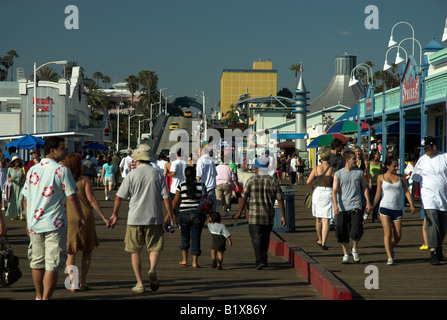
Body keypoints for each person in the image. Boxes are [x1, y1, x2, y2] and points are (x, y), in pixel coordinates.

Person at [22, 136, 86, 300]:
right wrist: (81, 217)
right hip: (55, 223)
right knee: (52, 264)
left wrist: (29, 221)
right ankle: (46, 298)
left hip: (35, 224)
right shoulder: (62, 170)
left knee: (37, 263)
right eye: (63, 148)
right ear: (53, 150)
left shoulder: (32, 170)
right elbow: (72, 196)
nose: (66, 151)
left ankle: (38, 295)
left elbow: (25, 198)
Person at [110, 144, 174, 293]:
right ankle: (152, 269)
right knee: (155, 248)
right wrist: (171, 218)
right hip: (155, 217)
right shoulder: (158, 174)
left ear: (138, 159)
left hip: (134, 218)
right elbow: (166, 199)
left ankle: (139, 283)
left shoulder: (132, 174)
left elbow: (119, 198)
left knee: (135, 251)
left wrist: (115, 214)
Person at [64, 153, 111, 291]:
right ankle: (83, 281)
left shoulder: (64, 179)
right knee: (87, 249)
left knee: (70, 251)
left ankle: (72, 283)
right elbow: (92, 199)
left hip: (69, 216)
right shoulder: (84, 180)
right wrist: (103, 217)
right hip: (85, 215)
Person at [233, 157, 285, 270]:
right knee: (265, 239)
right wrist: (283, 216)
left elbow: (243, 198)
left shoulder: (251, 180)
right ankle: (263, 259)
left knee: (256, 239)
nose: (254, 170)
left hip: (254, 217)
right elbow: (280, 199)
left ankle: (259, 260)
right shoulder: (273, 181)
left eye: (256, 168)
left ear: (259, 169)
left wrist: (239, 213)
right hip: (268, 216)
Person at [411, 136, 447, 265]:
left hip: (443, 198)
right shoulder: (422, 160)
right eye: (423, 148)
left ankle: (438, 247)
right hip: (428, 197)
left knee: (443, 228)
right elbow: (415, 179)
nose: (424, 151)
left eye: (426, 148)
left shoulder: (444, 157)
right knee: (433, 224)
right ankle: (433, 253)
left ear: (434, 147)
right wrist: (412, 198)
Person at [372, 155, 415, 265]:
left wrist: (411, 204)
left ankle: (389, 247)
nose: (396, 168)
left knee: (398, 236)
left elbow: (406, 191)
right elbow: (377, 194)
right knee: (388, 232)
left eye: (397, 166)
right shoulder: (381, 177)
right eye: (394, 166)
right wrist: (372, 206)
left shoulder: (401, 177)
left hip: (397, 208)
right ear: (387, 166)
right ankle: (389, 257)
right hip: (385, 207)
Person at [332, 150, 372, 264]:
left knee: (356, 230)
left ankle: (354, 249)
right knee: (342, 232)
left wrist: (368, 202)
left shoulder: (359, 172)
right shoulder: (338, 174)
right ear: (347, 160)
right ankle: (345, 254)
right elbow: (334, 191)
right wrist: (335, 205)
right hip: (343, 207)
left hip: (356, 206)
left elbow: (364, 188)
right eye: (354, 159)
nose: (356, 160)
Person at [172, 166, 206, 269]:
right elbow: (205, 200)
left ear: (185, 174)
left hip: (183, 214)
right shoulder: (201, 185)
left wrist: (170, 214)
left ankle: (184, 260)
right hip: (198, 214)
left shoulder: (181, 185)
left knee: (184, 236)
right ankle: (195, 262)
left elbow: (176, 201)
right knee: (196, 237)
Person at [306, 146, 335, 250]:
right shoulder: (332, 169)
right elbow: (336, 183)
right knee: (326, 219)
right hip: (328, 192)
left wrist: (312, 189)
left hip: (318, 192)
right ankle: (324, 242)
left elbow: (308, 181)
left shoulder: (316, 168)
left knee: (318, 218)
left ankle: (319, 239)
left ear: (321, 157)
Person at [196, 147, 217, 211]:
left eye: (199, 152)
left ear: (203, 152)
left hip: (203, 186)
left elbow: (199, 176)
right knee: (212, 202)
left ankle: (204, 216)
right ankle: (212, 216)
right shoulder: (211, 160)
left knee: (203, 203)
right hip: (212, 184)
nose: (198, 153)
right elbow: (215, 173)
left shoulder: (200, 160)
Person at [5, 156, 25, 220]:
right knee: (14, 201)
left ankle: (21, 215)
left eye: (18, 161)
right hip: (13, 187)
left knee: (20, 200)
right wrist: (9, 179)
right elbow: (7, 177)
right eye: (16, 161)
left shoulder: (22, 169)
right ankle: (16, 215)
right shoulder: (10, 169)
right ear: (13, 162)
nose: (17, 162)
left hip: (21, 186)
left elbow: (25, 177)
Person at [365, 149, 383, 222]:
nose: (379, 155)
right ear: (374, 154)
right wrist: (370, 178)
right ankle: (367, 212)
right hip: (370, 184)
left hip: (378, 184)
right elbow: (365, 173)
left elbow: (381, 173)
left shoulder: (380, 164)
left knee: (377, 201)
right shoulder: (368, 163)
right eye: (378, 154)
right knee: (371, 199)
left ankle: (374, 217)